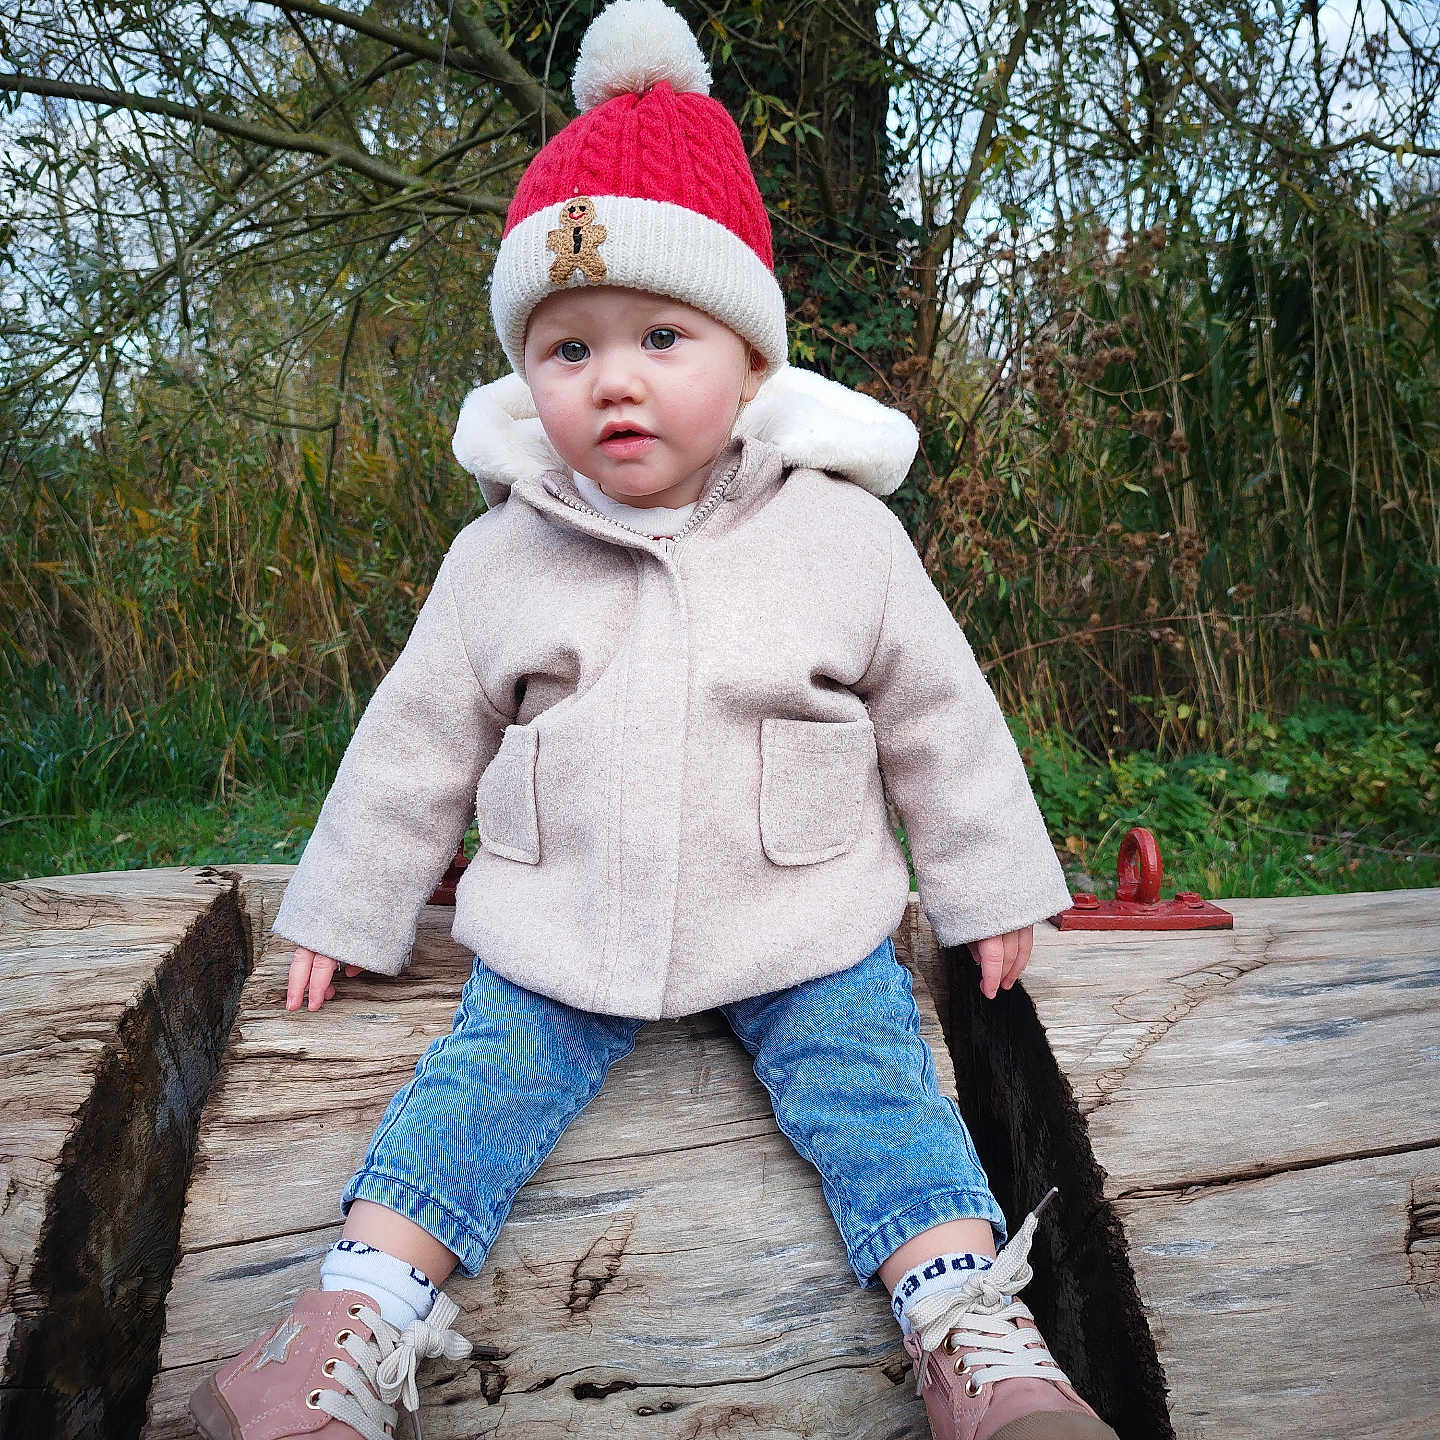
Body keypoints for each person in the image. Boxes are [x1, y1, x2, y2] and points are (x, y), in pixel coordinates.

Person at [187, 4, 1117, 1439]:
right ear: (524, 376)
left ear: (748, 360)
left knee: (878, 1089)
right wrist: (346, 905)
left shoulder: (841, 536)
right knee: (473, 1089)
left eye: (661, 335)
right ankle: (346, 1325)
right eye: (566, 349)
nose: (613, 378)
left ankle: (971, 1341)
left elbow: (942, 715)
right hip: (566, 921)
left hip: (801, 914)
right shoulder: (503, 554)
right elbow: (416, 738)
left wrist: (990, 882)